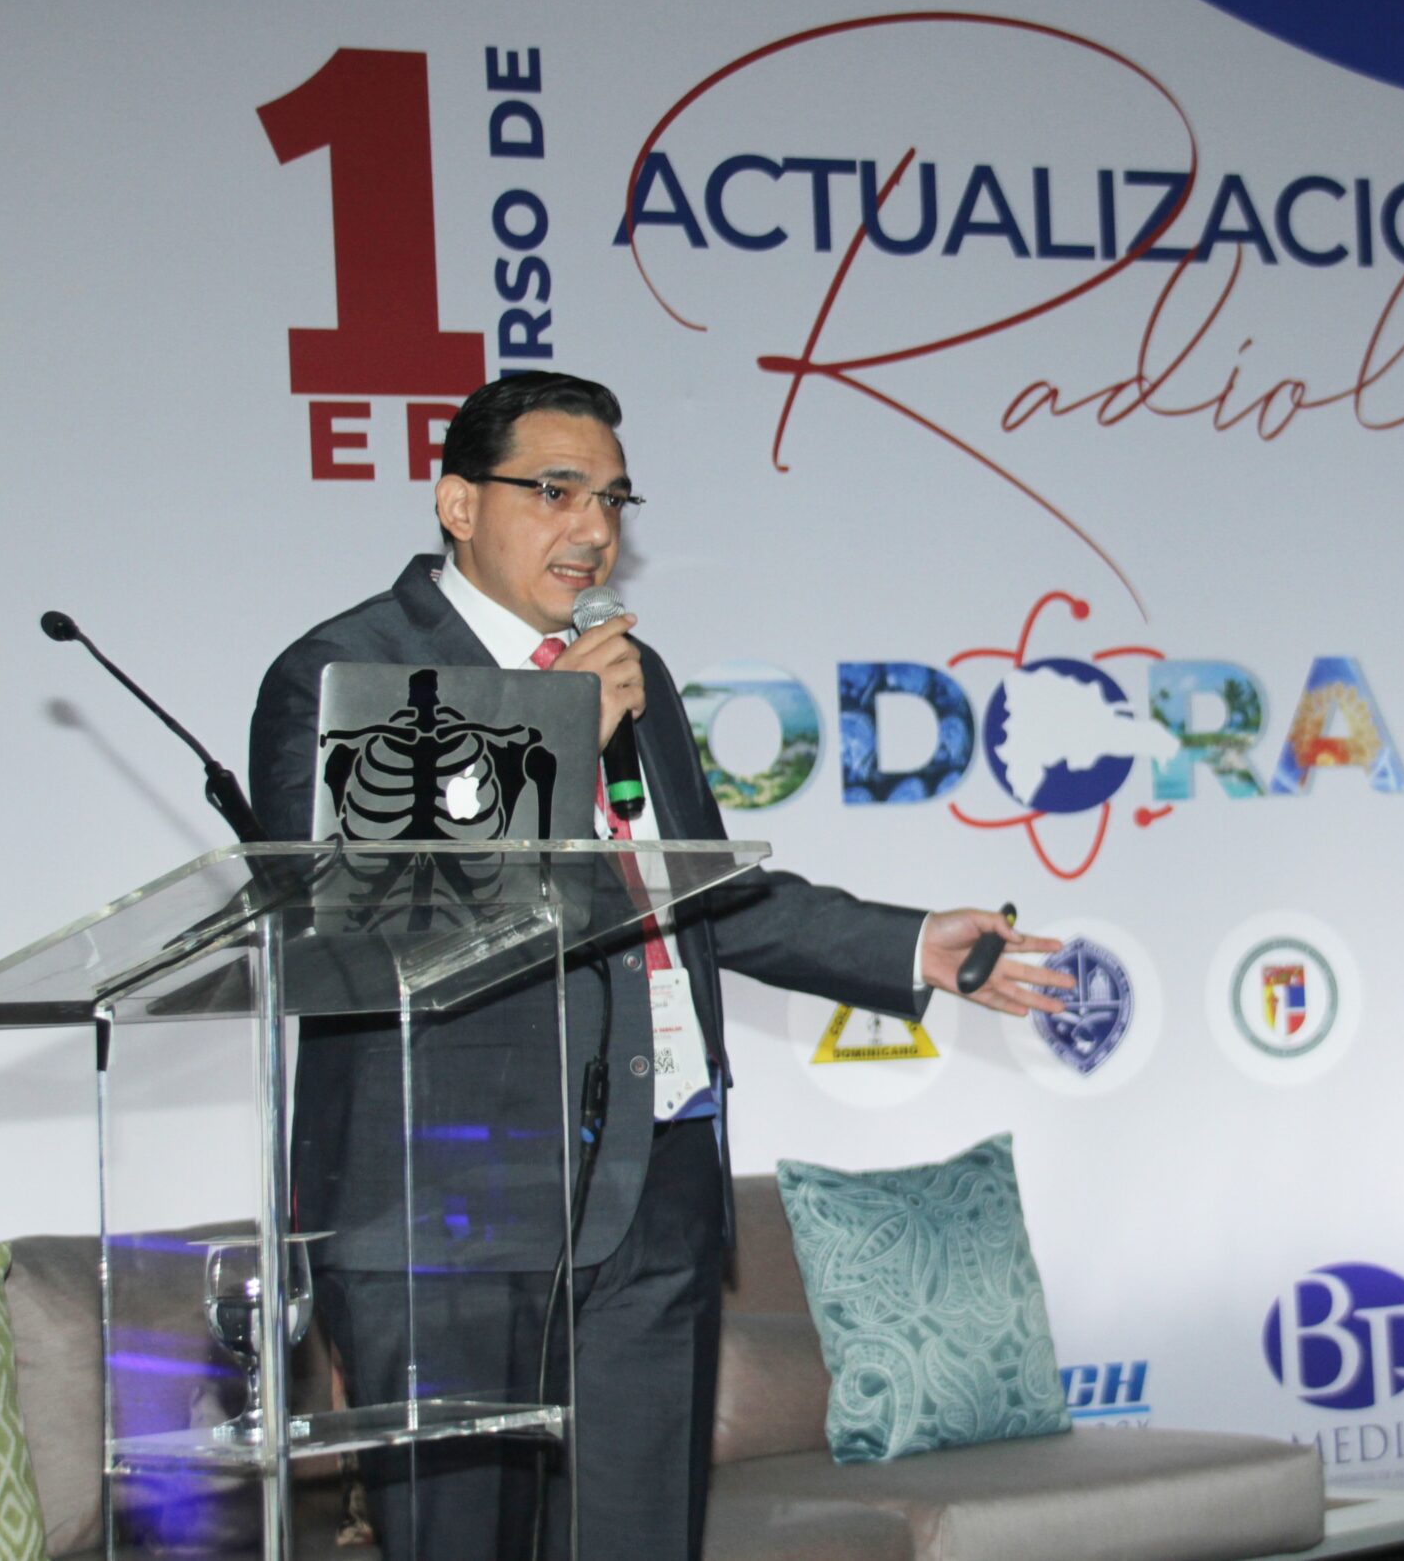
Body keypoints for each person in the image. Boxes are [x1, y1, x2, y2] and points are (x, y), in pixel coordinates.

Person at [248, 371, 1070, 1561]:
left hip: (654, 1178)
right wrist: (548, 736)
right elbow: (359, 928)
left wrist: (906, 945)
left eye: (612, 499)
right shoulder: (345, 673)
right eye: (556, 491)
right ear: (458, 504)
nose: (593, 528)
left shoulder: (632, 671)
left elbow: (689, 895)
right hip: (448, 1207)